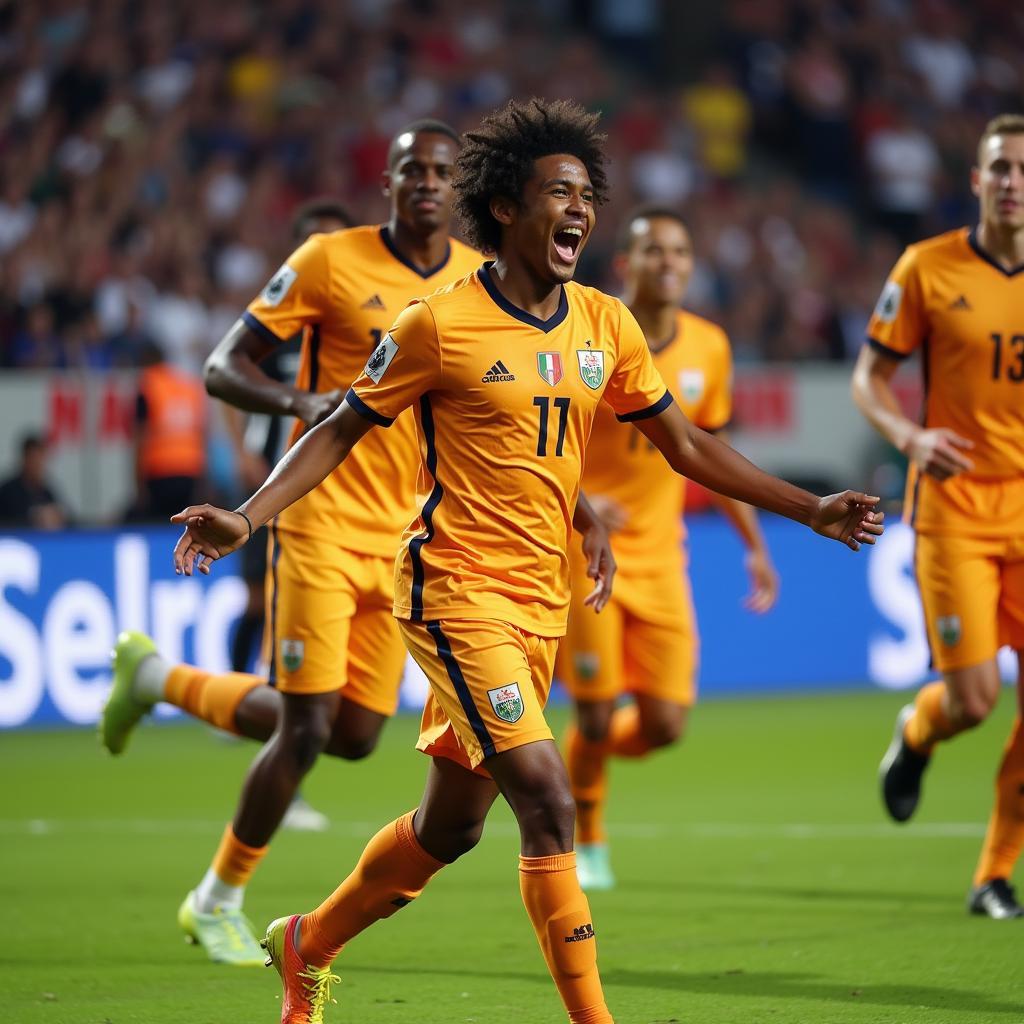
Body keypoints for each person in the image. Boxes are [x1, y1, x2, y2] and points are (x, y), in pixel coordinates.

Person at [170, 98, 883, 1024]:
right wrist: (248, 516)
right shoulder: (438, 324)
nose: (580, 210)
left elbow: (687, 445)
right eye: (559, 191)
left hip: (539, 600)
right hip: (453, 593)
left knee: (451, 827)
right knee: (548, 802)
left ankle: (306, 943)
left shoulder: (604, 324)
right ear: (507, 207)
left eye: (587, 194)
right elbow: (341, 426)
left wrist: (810, 508)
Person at [99, 121, 481, 965]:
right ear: (386, 180)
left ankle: (158, 677)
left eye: (443, 172)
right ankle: (217, 896)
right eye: (412, 168)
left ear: (461, 189)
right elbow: (222, 367)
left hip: (402, 535)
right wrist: (301, 405)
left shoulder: (475, 283)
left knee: (352, 735)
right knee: (306, 729)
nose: (427, 182)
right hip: (315, 516)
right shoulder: (327, 262)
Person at [559, 206, 779, 891]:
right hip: (584, 553)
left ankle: (570, 777)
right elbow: (541, 442)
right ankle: (585, 830)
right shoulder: (584, 334)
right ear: (625, 264)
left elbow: (709, 455)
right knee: (594, 713)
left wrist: (755, 545)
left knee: (664, 724)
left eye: (680, 252)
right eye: (654, 251)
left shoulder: (709, 347)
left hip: (663, 559)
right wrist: (589, 506)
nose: (670, 263)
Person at [852, 113, 1024, 919]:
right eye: (1001, 168)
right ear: (977, 180)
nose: (1013, 181)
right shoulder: (927, 267)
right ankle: (920, 730)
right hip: (955, 509)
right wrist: (910, 434)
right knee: (975, 700)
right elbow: (869, 379)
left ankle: (993, 872)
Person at [224, 197, 353, 835]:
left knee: (352, 725)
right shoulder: (280, 336)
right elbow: (239, 394)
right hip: (288, 504)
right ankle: (286, 785)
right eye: (312, 247)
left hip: (366, 511)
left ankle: (164, 682)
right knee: (280, 650)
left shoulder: (374, 324)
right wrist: (249, 462)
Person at [130, 340, 207, 519]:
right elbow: (201, 433)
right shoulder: (188, 385)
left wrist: (138, 483)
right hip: (190, 469)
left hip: (159, 470)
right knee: (184, 526)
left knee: (161, 525)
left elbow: (141, 436)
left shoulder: (147, 385)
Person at [0, 433, 68, 529]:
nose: (38, 465)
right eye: (34, 458)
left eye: (41, 459)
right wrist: (34, 519)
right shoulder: (7, 491)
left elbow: (66, 517)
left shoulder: (46, 491)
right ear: (24, 459)